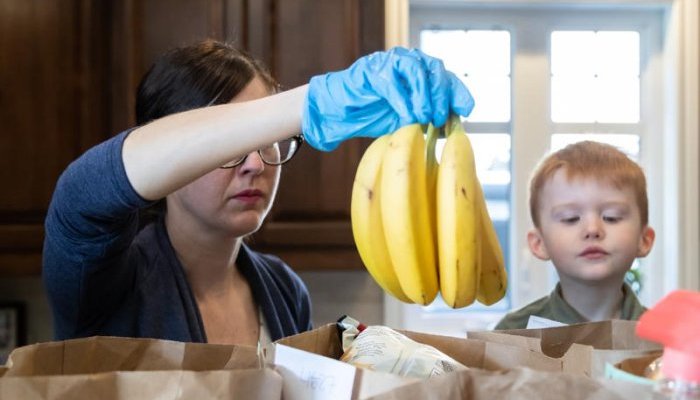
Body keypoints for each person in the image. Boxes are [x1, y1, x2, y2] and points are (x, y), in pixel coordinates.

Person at [42, 40, 475, 346]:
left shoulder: (284, 289)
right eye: (230, 145)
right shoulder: (103, 284)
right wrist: (308, 103)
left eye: (270, 139)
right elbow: (81, 198)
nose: (255, 164)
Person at [494, 141, 655, 330]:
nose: (592, 229)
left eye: (612, 217)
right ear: (539, 243)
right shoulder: (512, 334)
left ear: (644, 240)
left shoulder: (673, 340)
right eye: (570, 219)